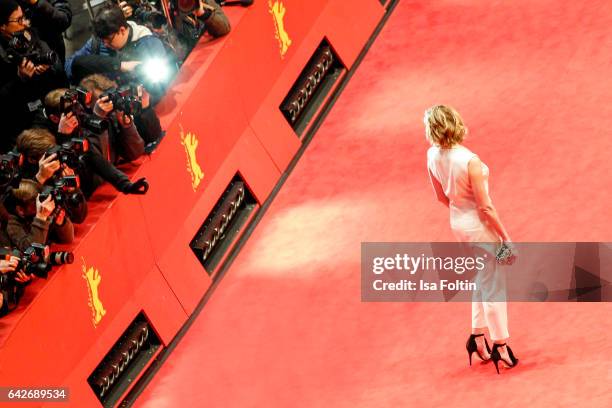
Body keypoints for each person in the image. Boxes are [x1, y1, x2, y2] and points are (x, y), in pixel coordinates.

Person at [424, 105, 519, 373]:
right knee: (494, 287)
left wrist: (461, 216)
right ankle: (501, 345)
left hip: (459, 223)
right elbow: (485, 207)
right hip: (480, 227)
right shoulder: (470, 161)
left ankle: (477, 337)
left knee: (482, 277)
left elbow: (440, 197)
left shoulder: (432, 155)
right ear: (456, 123)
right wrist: (506, 237)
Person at [65, 3, 174, 103]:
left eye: (108, 40)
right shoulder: (99, 42)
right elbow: (69, 67)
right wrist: (118, 65)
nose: (105, 44)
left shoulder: (149, 45)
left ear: (122, 30)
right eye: (102, 40)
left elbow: (161, 87)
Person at [0, 0, 67, 151]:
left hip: (48, 103)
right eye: (18, 20)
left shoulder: (30, 35)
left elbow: (57, 67)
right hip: (21, 120)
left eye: (23, 17)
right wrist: (20, 79)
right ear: (2, 26)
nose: (24, 23)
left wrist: (48, 65)